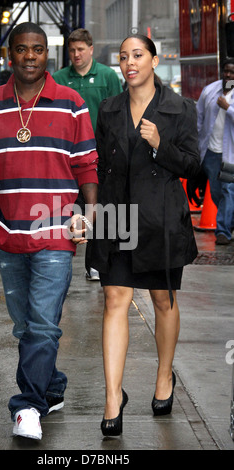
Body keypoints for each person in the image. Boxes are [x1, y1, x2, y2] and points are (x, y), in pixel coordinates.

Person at [0, 22, 98, 441]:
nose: (30, 56)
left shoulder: (71, 103)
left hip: (56, 231)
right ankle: (52, 385)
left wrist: (88, 216)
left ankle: (27, 407)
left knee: (43, 324)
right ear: (9, 55)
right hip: (7, 228)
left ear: (47, 54)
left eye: (38, 49)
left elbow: (87, 165)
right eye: (22, 49)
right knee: (25, 325)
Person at [88, 34, 200, 436]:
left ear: (154, 60)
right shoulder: (109, 108)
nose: (129, 63)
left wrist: (159, 144)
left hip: (160, 219)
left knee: (162, 301)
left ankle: (164, 377)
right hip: (117, 215)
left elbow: (192, 166)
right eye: (123, 57)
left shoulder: (179, 108)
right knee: (114, 297)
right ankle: (113, 397)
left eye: (137, 56)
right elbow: (100, 167)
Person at [53, 28, 122, 281]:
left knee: (97, 208)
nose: (76, 54)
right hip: (67, 156)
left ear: (91, 49)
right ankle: (61, 262)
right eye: (72, 50)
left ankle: (94, 263)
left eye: (81, 49)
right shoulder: (59, 78)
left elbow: (118, 114)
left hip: (99, 156)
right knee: (68, 207)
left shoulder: (106, 76)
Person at [196, 59, 234, 245]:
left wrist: (229, 109)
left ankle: (223, 231)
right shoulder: (210, 91)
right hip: (211, 151)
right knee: (216, 193)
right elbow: (199, 118)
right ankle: (229, 221)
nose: (228, 75)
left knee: (228, 190)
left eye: (232, 73)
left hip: (231, 154)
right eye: (226, 71)